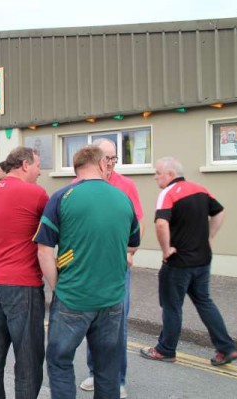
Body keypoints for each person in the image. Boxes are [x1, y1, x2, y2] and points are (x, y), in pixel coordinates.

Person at [35, 145, 140, 399]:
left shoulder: (62, 197)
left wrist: (57, 286)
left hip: (73, 297)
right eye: (110, 162)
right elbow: (133, 245)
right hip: (112, 299)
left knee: (60, 361)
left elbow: (44, 250)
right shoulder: (123, 198)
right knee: (107, 367)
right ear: (103, 164)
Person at [140, 157, 237, 366]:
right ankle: (227, 348)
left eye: (158, 173)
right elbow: (220, 211)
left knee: (171, 306)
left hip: (178, 263)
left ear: (169, 174)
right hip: (202, 260)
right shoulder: (201, 189)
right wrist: (209, 238)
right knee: (204, 302)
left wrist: (166, 250)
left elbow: (161, 224)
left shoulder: (167, 193)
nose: (155, 177)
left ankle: (165, 349)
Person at [0, 147, 49, 398]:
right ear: (25, 164)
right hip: (22, 283)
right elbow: (58, 229)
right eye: (39, 165)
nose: (41, 171)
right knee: (28, 358)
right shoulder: (36, 193)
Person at [79, 139, 145, 398]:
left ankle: (117, 378)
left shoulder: (126, 185)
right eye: (106, 158)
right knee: (90, 321)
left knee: (117, 325)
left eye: (114, 158)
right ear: (95, 159)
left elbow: (136, 223)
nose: (110, 164)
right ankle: (96, 374)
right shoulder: (80, 184)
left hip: (117, 267)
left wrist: (130, 252)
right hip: (88, 268)